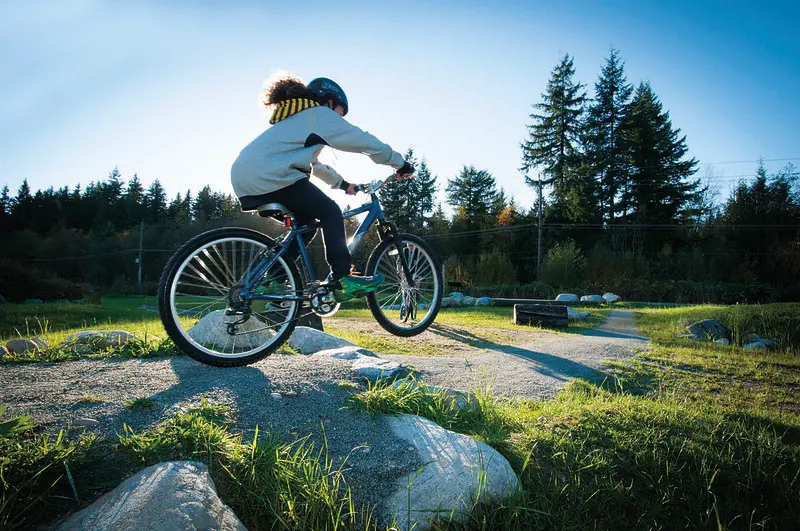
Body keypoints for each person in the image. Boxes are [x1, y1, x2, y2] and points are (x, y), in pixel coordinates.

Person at [231, 74, 414, 300]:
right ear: (328, 102)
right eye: (340, 111)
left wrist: (343, 184)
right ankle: (341, 279)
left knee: (306, 224)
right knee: (330, 211)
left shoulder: (297, 120)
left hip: (248, 176)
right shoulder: (318, 114)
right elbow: (363, 140)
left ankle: (272, 280)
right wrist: (399, 162)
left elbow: (315, 165)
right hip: (272, 175)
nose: (339, 118)